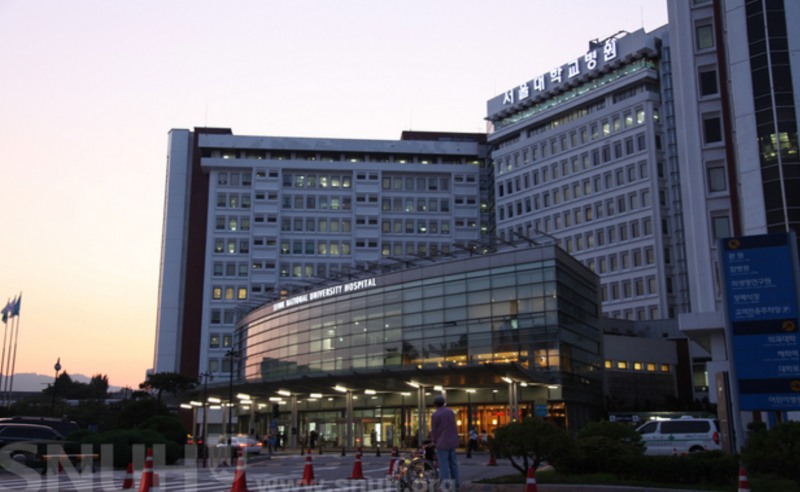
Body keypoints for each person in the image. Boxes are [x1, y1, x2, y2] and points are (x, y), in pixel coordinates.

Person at [429, 394, 460, 491]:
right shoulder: (450, 412)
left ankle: (446, 487)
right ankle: (457, 485)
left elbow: (434, 430)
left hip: (442, 443)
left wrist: (433, 441)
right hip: (452, 441)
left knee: (443, 466)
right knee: (453, 464)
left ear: (435, 404)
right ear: (444, 403)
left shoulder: (435, 415)